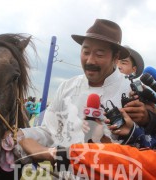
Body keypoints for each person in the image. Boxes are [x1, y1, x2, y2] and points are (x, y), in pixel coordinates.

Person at [19, 77, 156, 179]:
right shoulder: (67, 86)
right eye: (86, 50)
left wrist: (51, 153)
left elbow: (129, 163)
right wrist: (103, 141)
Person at [14, 19, 133, 161]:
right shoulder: (67, 87)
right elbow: (49, 131)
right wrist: (19, 135)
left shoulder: (131, 92)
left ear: (116, 57)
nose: (90, 60)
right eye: (86, 52)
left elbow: (136, 151)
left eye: (99, 54)